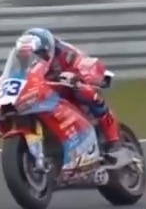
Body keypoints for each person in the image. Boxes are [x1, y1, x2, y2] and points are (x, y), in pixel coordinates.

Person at [14, 27, 128, 160]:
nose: (33, 58)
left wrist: (74, 77)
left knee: (85, 93)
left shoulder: (65, 53)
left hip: (78, 76)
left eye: (37, 54)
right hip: (50, 88)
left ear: (47, 50)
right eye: (26, 55)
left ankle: (114, 142)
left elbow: (82, 65)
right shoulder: (25, 63)